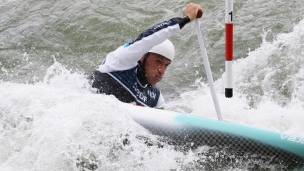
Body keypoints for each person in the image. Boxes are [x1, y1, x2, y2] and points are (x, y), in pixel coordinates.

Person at [89, 3, 203, 109]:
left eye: (166, 65)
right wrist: (185, 19)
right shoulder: (120, 63)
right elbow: (148, 38)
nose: (161, 70)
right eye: (158, 62)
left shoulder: (156, 98)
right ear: (143, 57)